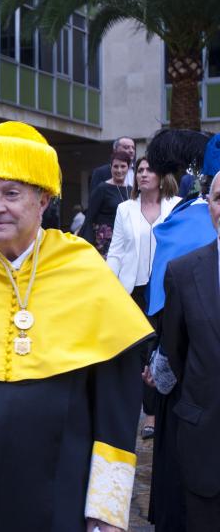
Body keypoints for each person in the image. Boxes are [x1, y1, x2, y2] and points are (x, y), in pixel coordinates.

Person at [0, 121, 153, 532]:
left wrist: (106, 508)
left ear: (43, 200)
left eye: (11, 194)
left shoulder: (85, 271)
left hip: (63, 487)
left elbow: (116, 400)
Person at [159, 171, 220, 532]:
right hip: (204, 442)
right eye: (218, 198)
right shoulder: (182, 273)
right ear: (209, 206)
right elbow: (176, 351)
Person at [106, 156, 180, 439]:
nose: (143, 174)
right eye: (140, 170)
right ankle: (141, 411)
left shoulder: (176, 206)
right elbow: (117, 249)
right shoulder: (125, 209)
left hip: (166, 290)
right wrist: (109, 283)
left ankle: (152, 414)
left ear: (162, 176)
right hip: (133, 290)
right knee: (138, 350)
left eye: (149, 170)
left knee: (159, 348)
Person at [82, 150, 134, 257]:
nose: (119, 170)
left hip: (127, 241)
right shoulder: (102, 188)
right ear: (111, 167)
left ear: (128, 168)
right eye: (116, 166)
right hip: (104, 244)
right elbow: (90, 217)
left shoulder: (131, 190)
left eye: (123, 166)